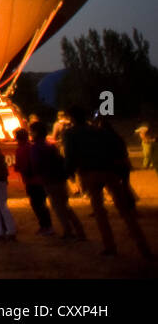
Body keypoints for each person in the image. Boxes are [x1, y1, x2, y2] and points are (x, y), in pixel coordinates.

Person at [64, 106, 153, 259]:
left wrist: (68, 172)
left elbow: (71, 155)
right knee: (125, 210)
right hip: (109, 170)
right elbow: (116, 148)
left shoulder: (71, 134)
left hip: (89, 172)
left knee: (99, 211)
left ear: (71, 118)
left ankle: (110, 246)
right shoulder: (99, 131)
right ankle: (143, 247)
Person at [30, 120, 86, 241]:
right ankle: (79, 230)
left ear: (35, 132)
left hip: (49, 179)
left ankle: (68, 232)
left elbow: (36, 165)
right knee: (65, 206)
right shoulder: (51, 146)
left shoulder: (36, 148)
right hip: (59, 178)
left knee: (58, 207)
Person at [13, 127, 53, 235]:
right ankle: (47, 225)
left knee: (37, 204)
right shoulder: (31, 147)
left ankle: (46, 226)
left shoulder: (21, 149)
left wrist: (20, 168)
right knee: (41, 203)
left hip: (32, 180)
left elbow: (23, 165)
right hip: (40, 179)